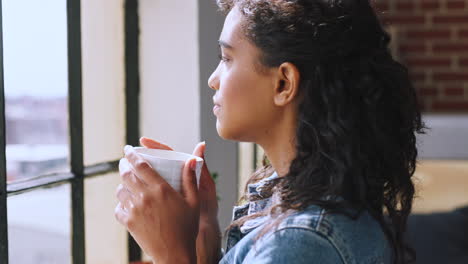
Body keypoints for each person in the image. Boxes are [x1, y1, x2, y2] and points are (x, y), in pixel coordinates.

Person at [115, 0, 424, 263]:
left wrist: (171, 253)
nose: (213, 79)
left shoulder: (298, 242)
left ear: (283, 84)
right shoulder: (313, 204)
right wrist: (205, 236)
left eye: (227, 58)